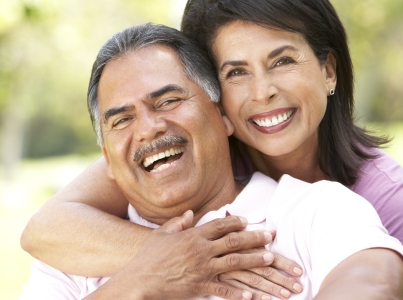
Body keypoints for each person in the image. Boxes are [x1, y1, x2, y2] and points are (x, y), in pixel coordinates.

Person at [21, 0, 403, 298]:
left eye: (168, 101)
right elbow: (42, 229)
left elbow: (372, 278)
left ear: (218, 113)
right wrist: (156, 266)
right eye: (236, 72)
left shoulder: (335, 208)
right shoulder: (78, 256)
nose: (262, 92)